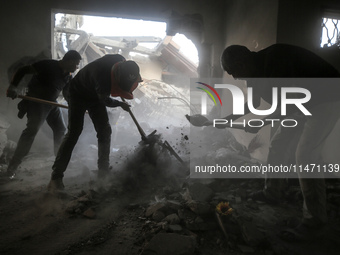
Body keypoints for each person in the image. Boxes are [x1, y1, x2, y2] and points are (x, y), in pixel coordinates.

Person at [187, 44, 340, 241]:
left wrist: (262, 122)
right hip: (303, 103)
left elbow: (292, 100)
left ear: (242, 62)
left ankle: (315, 220)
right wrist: (218, 121)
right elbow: (253, 105)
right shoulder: (253, 75)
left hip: (326, 98)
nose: (235, 78)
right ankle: (273, 192)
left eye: (234, 72)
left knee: (305, 155)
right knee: (278, 144)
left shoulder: (278, 58)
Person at [47, 54, 142, 191]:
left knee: (105, 130)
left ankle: (103, 170)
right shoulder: (101, 76)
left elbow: (103, 95)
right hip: (77, 94)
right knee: (74, 132)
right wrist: (120, 104)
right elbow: (105, 100)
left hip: (94, 94)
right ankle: (56, 177)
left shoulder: (120, 60)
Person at [4, 50, 82, 179]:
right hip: (37, 103)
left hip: (52, 104)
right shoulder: (48, 65)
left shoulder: (68, 75)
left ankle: (59, 162)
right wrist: (13, 87)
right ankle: (12, 167)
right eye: (77, 64)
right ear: (70, 61)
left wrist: (73, 104)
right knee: (31, 131)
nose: (77, 67)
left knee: (60, 129)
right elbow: (23, 70)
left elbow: (67, 92)